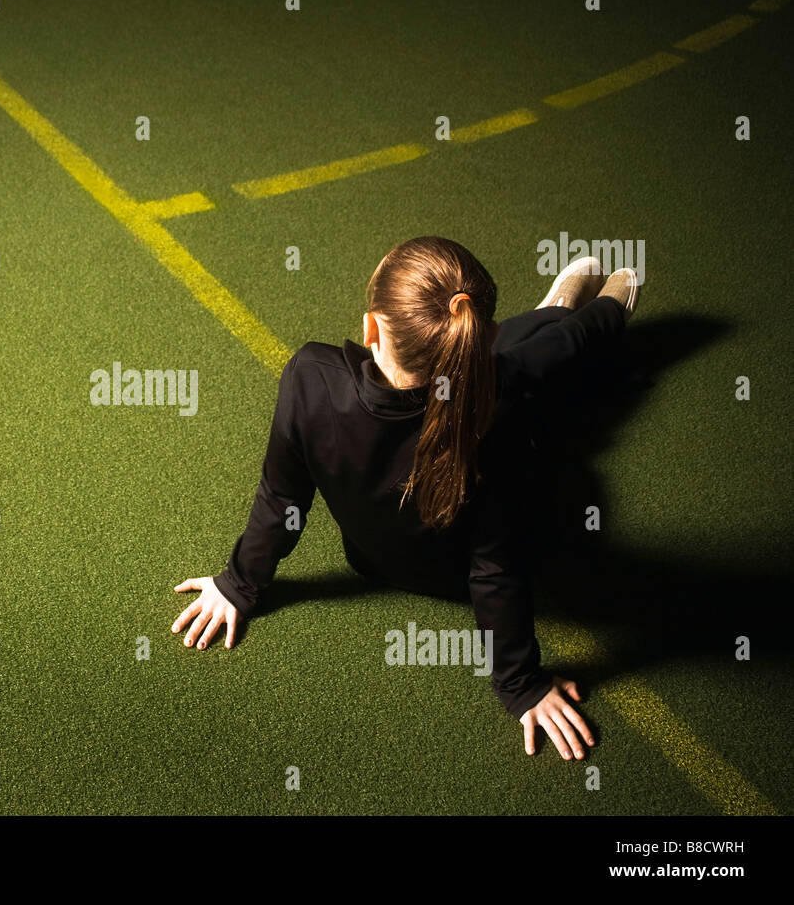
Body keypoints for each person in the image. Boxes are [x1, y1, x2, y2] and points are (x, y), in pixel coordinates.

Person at [171, 236, 640, 760]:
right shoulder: (494, 407)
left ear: (371, 328)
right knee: (542, 365)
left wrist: (239, 583)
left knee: (522, 363)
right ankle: (598, 314)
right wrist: (520, 683)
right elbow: (494, 570)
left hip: (371, 565)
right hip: (479, 554)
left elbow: (283, 495)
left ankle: (559, 312)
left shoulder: (310, 376)